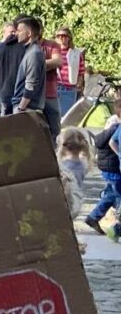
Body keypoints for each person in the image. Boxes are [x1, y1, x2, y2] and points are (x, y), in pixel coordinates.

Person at [85, 110, 120, 241]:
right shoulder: (117, 128)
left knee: (111, 194)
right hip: (114, 170)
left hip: (107, 169)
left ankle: (93, 217)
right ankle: (116, 229)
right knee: (118, 196)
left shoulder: (110, 127)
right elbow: (113, 144)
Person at [12, 18, 47, 120]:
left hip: (27, 110)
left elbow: (31, 85)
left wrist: (20, 108)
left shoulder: (34, 54)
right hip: (27, 109)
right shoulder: (31, 52)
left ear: (29, 33)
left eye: (19, 30)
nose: (16, 33)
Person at [0, 15, 26, 115]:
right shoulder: (24, 47)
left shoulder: (0, 48)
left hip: (4, 93)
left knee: (4, 126)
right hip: (20, 93)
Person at [39, 22, 62, 139]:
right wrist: (48, 65)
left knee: (55, 127)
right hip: (32, 94)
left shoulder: (52, 45)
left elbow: (58, 61)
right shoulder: (24, 46)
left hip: (50, 93)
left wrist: (36, 65)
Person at [55, 26, 85, 116]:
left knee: (66, 116)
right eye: (58, 36)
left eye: (63, 35)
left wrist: (79, 84)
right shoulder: (53, 52)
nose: (61, 38)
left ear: (69, 38)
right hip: (55, 87)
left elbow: (81, 71)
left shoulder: (76, 53)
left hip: (69, 89)